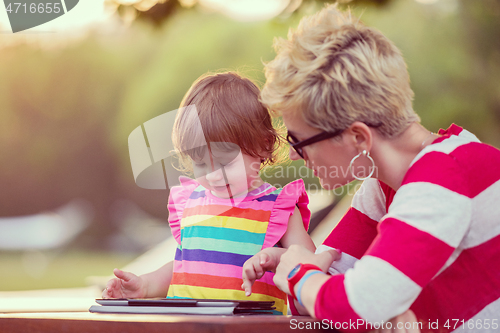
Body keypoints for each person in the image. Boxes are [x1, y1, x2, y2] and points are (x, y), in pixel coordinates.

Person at [249, 4, 500, 332]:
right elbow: (326, 292)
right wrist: (295, 269)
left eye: (299, 141)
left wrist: (299, 275)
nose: (295, 157)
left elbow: (355, 309)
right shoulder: (383, 186)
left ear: (357, 137)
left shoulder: (445, 175)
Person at [102, 72, 316, 315]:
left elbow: (311, 264)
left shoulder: (278, 208)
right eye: (200, 163)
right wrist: (146, 285)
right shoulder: (191, 201)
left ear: (264, 145)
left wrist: (277, 257)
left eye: (225, 163)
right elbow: (186, 267)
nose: (213, 175)